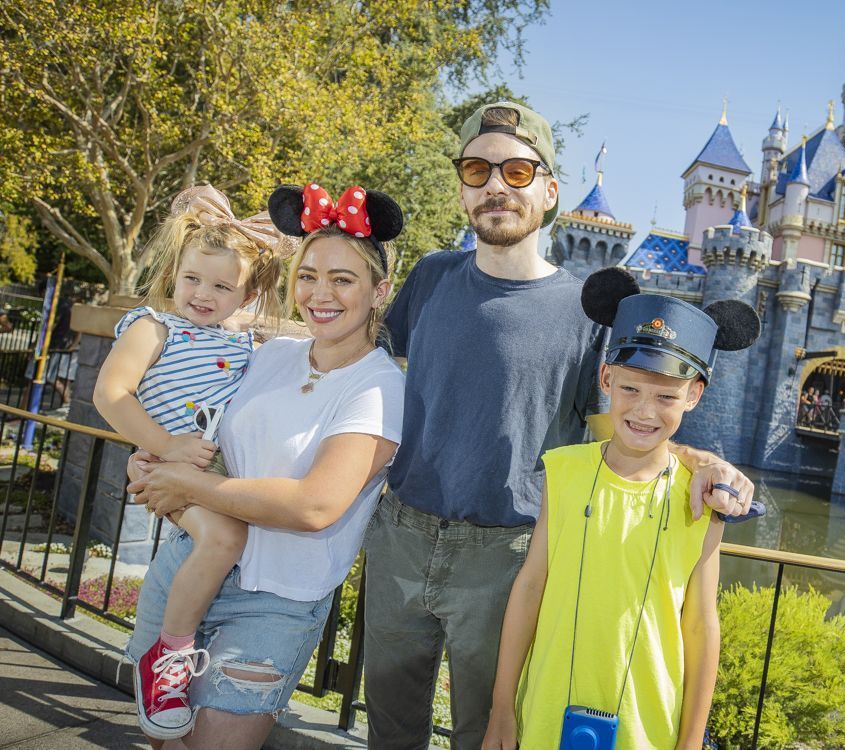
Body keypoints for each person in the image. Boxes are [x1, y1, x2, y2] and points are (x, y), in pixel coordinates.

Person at [363, 101, 754, 748]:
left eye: (517, 172)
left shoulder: (584, 313)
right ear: (461, 187)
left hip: (506, 558)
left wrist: (697, 462)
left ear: (549, 192)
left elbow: (624, 429)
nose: (495, 185)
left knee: (486, 733)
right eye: (477, 169)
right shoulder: (431, 276)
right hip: (401, 533)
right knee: (390, 729)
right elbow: (369, 370)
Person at [124, 182, 407, 748]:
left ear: (380, 291)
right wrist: (156, 459)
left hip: (272, 603)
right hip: (187, 568)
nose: (320, 294)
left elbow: (315, 505)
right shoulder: (268, 354)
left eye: (343, 279)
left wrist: (190, 484)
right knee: (162, 742)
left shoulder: (379, 387)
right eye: (308, 275)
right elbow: (201, 430)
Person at [483, 274, 760, 749]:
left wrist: (691, 741)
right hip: (545, 712)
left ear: (693, 395)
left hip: (645, 726)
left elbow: (700, 624)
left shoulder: (702, 500)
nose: (644, 411)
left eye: (667, 396)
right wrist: (501, 708)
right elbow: (531, 586)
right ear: (607, 378)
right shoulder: (563, 472)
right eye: (630, 390)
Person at [92, 185, 287, 740]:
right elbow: (112, 394)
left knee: (230, 535)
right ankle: (169, 661)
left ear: (247, 295)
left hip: (215, 472)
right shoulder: (155, 327)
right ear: (175, 272)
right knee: (226, 538)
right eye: (192, 278)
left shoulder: (244, 341)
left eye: (223, 286)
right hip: (168, 464)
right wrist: (166, 445)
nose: (203, 293)